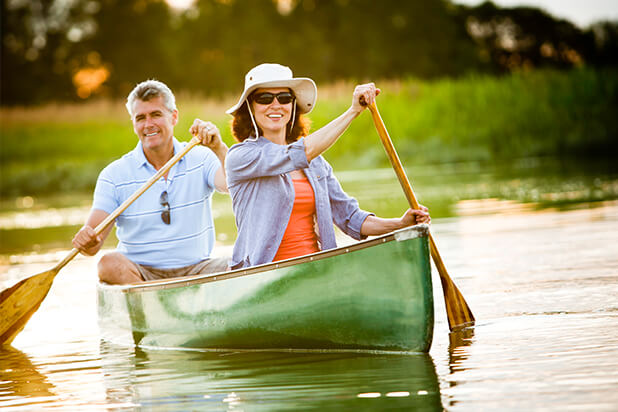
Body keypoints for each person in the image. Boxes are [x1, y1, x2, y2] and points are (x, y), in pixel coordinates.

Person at [224, 63, 430, 269]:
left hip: (317, 270)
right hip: (263, 275)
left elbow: (350, 218)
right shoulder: (241, 157)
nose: (276, 105)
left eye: (284, 98)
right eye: (265, 98)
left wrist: (401, 224)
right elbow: (298, 153)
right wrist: (353, 111)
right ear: (250, 106)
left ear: (293, 105)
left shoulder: (316, 164)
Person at [72, 79, 229, 284]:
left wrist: (219, 148)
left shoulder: (202, 157)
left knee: (242, 260)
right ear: (134, 123)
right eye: (140, 118)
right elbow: (93, 246)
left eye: (156, 114)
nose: (148, 124)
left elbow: (232, 185)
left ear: (173, 117)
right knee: (108, 264)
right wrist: (86, 240)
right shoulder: (114, 175)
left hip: (198, 270)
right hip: (140, 275)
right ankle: (154, 309)